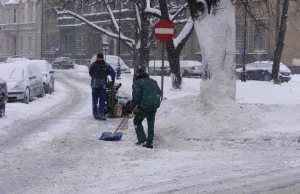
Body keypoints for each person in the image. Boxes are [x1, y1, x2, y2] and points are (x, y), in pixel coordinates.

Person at [128, 68, 161, 149]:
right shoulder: (153, 81)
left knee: (137, 121)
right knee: (150, 123)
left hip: (144, 106)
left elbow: (136, 97)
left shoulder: (137, 83)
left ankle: (142, 138)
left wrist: (130, 108)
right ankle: (149, 142)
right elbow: (159, 92)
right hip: (154, 105)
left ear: (138, 74)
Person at [89, 53, 115, 120]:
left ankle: (95, 114)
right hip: (102, 85)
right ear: (103, 58)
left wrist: (95, 77)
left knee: (94, 100)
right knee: (102, 100)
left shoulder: (93, 65)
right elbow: (113, 72)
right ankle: (101, 114)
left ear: (97, 57)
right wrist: (112, 78)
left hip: (94, 84)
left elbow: (90, 72)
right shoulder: (106, 65)